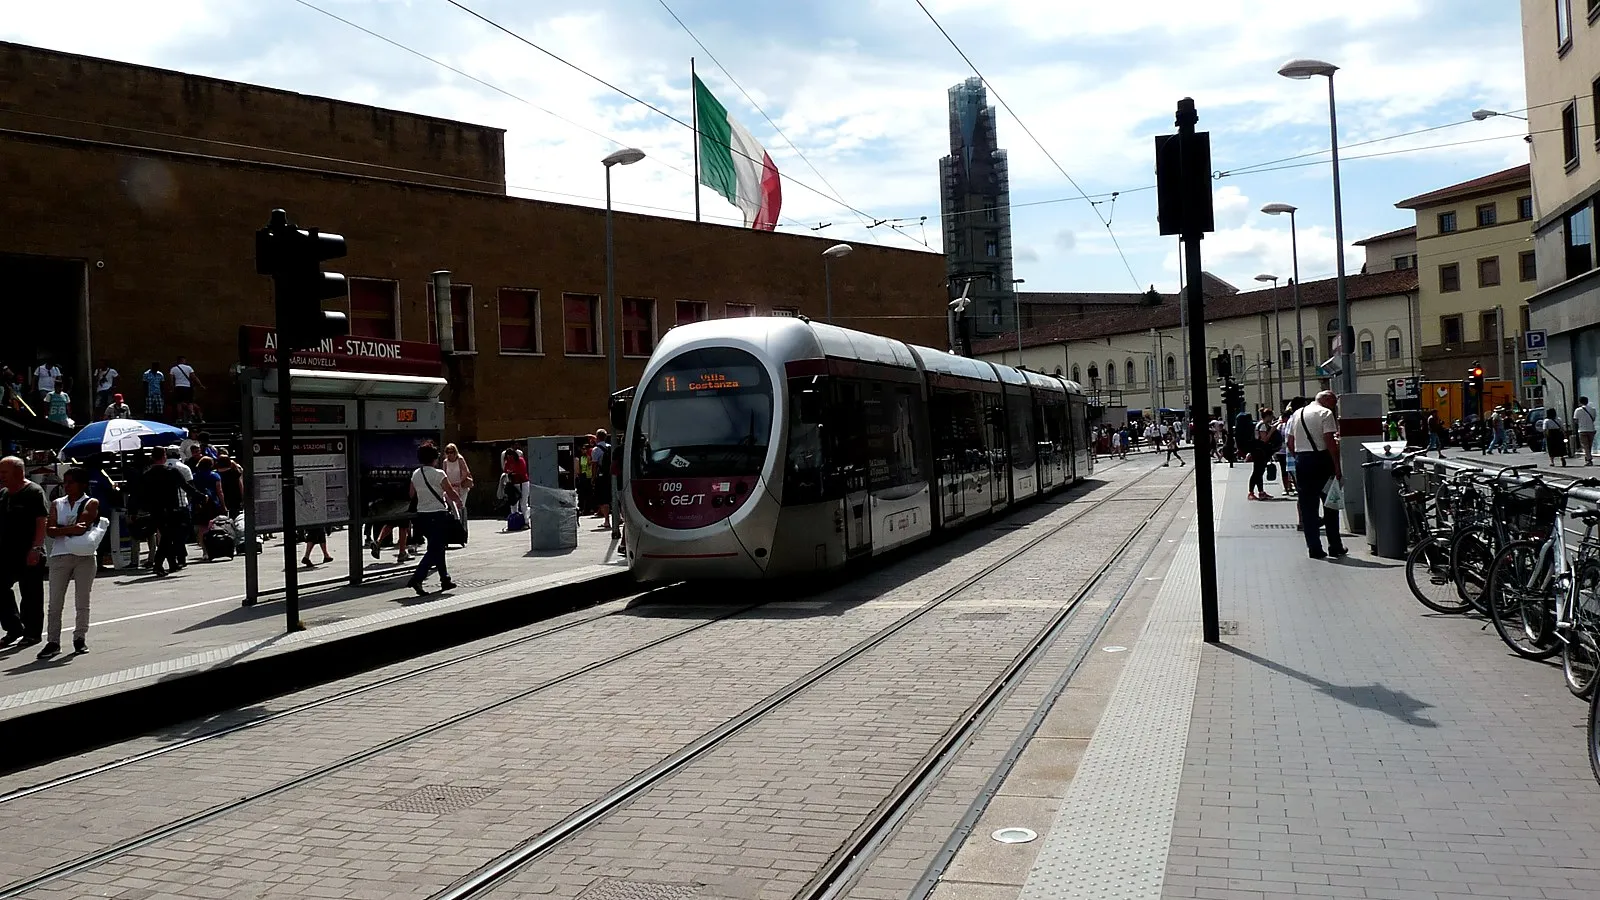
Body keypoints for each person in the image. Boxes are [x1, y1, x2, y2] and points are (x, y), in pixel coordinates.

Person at [40, 467, 101, 659]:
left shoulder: (90, 502)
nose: (66, 486)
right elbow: (50, 530)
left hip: (85, 555)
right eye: (65, 482)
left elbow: (82, 529)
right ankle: (53, 641)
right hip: (59, 555)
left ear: (82, 484)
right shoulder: (57, 503)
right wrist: (71, 528)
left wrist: (61, 528)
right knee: (55, 602)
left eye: (70, 482)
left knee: (82, 600)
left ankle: (79, 638)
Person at [1287, 390, 1348, 560]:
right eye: (1334, 403)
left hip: (1302, 461)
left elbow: (1289, 442)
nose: (1334, 407)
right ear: (1327, 400)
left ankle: (1314, 548)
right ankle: (1335, 546)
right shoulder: (1325, 414)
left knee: (1308, 508)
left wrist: (1299, 458)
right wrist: (1337, 466)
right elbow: (1329, 441)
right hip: (1322, 460)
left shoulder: (1297, 413)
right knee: (1330, 503)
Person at [0, 456, 48, 649]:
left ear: (19, 472)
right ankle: (14, 628)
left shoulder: (33, 492)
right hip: (6, 553)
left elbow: (41, 521)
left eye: (4, 473)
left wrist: (36, 548)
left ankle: (32, 633)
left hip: (29, 552)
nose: (1, 476)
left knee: (31, 594)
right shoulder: (3, 494)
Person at [407, 443, 460, 596]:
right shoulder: (439, 474)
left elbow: (411, 494)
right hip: (438, 515)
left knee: (438, 547)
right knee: (435, 549)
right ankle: (417, 578)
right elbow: (450, 492)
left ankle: (445, 578)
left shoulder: (416, 474)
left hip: (422, 516)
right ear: (434, 458)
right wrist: (459, 503)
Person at [136, 451, 185, 577]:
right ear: (164, 457)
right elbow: (185, 486)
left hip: (155, 510)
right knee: (168, 537)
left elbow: (139, 494)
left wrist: (134, 509)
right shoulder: (172, 472)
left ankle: (172, 563)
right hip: (171, 508)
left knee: (166, 536)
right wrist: (201, 497)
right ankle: (158, 564)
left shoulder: (146, 475)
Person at [443, 443, 474, 529]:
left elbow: (465, 472)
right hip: (451, 487)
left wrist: (459, 482)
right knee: (452, 507)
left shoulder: (460, 459)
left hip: (461, 486)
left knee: (461, 506)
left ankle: (462, 526)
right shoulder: (445, 462)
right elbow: (444, 474)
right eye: (448, 452)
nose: (450, 454)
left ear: (455, 452)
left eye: (451, 452)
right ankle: (455, 526)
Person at [1249, 409, 1278, 500]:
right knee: (1257, 472)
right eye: (1271, 416)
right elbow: (1264, 439)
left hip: (1259, 451)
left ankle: (1261, 492)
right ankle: (1251, 492)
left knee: (1259, 472)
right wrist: (1272, 431)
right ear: (1267, 416)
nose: (1272, 418)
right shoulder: (1262, 426)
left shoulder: (1261, 424)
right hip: (1259, 451)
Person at [590, 430, 613, 528]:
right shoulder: (610, 447)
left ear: (597, 437)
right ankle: (619, 517)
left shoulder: (596, 450)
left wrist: (593, 477)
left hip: (602, 476)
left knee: (604, 499)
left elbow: (594, 465)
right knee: (613, 497)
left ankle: (607, 521)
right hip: (611, 476)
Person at [170, 356, 203, 424]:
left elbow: (171, 380)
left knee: (179, 403)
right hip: (187, 387)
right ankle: (190, 417)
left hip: (178, 387)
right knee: (190, 403)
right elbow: (194, 377)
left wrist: (172, 388)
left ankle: (180, 418)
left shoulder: (173, 369)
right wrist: (200, 385)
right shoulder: (189, 368)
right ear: (183, 360)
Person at [1576, 397, 1596, 466]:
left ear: (1580, 402)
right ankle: (1587, 458)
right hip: (1591, 429)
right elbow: (1593, 418)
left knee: (1585, 446)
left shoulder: (1578, 410)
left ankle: (1589, 459)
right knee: (1589, 446)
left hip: (1582, 430)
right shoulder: (1593, 409)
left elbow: (1575, 420)